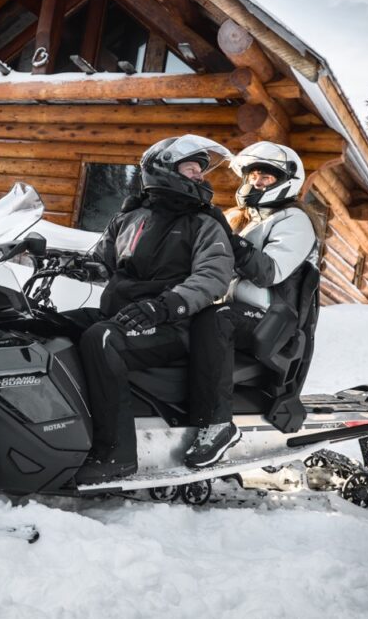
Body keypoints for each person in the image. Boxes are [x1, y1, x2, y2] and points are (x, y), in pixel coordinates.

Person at [65, 135, 235, 484]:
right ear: (164, 169)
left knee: (102, 339)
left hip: (173, 325)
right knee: (49, 326)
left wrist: (165, 306)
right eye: (191, 169)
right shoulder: (130, 217)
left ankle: (116, 454)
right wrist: (71, 266)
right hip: (125, 316)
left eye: (200, 171)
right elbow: (104, 262)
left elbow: (213, 275)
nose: (200, 177)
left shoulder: (204, 223)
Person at [183, 141, 320, 469]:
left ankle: (217, 424)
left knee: (217, 320)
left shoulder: (294, 220)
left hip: (272, 320)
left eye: (266, 177)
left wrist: (228, 240)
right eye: (253, 175)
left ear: (285, 182)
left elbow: (269, 271)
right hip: (231, 311)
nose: (256, 182)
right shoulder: (240, 218)